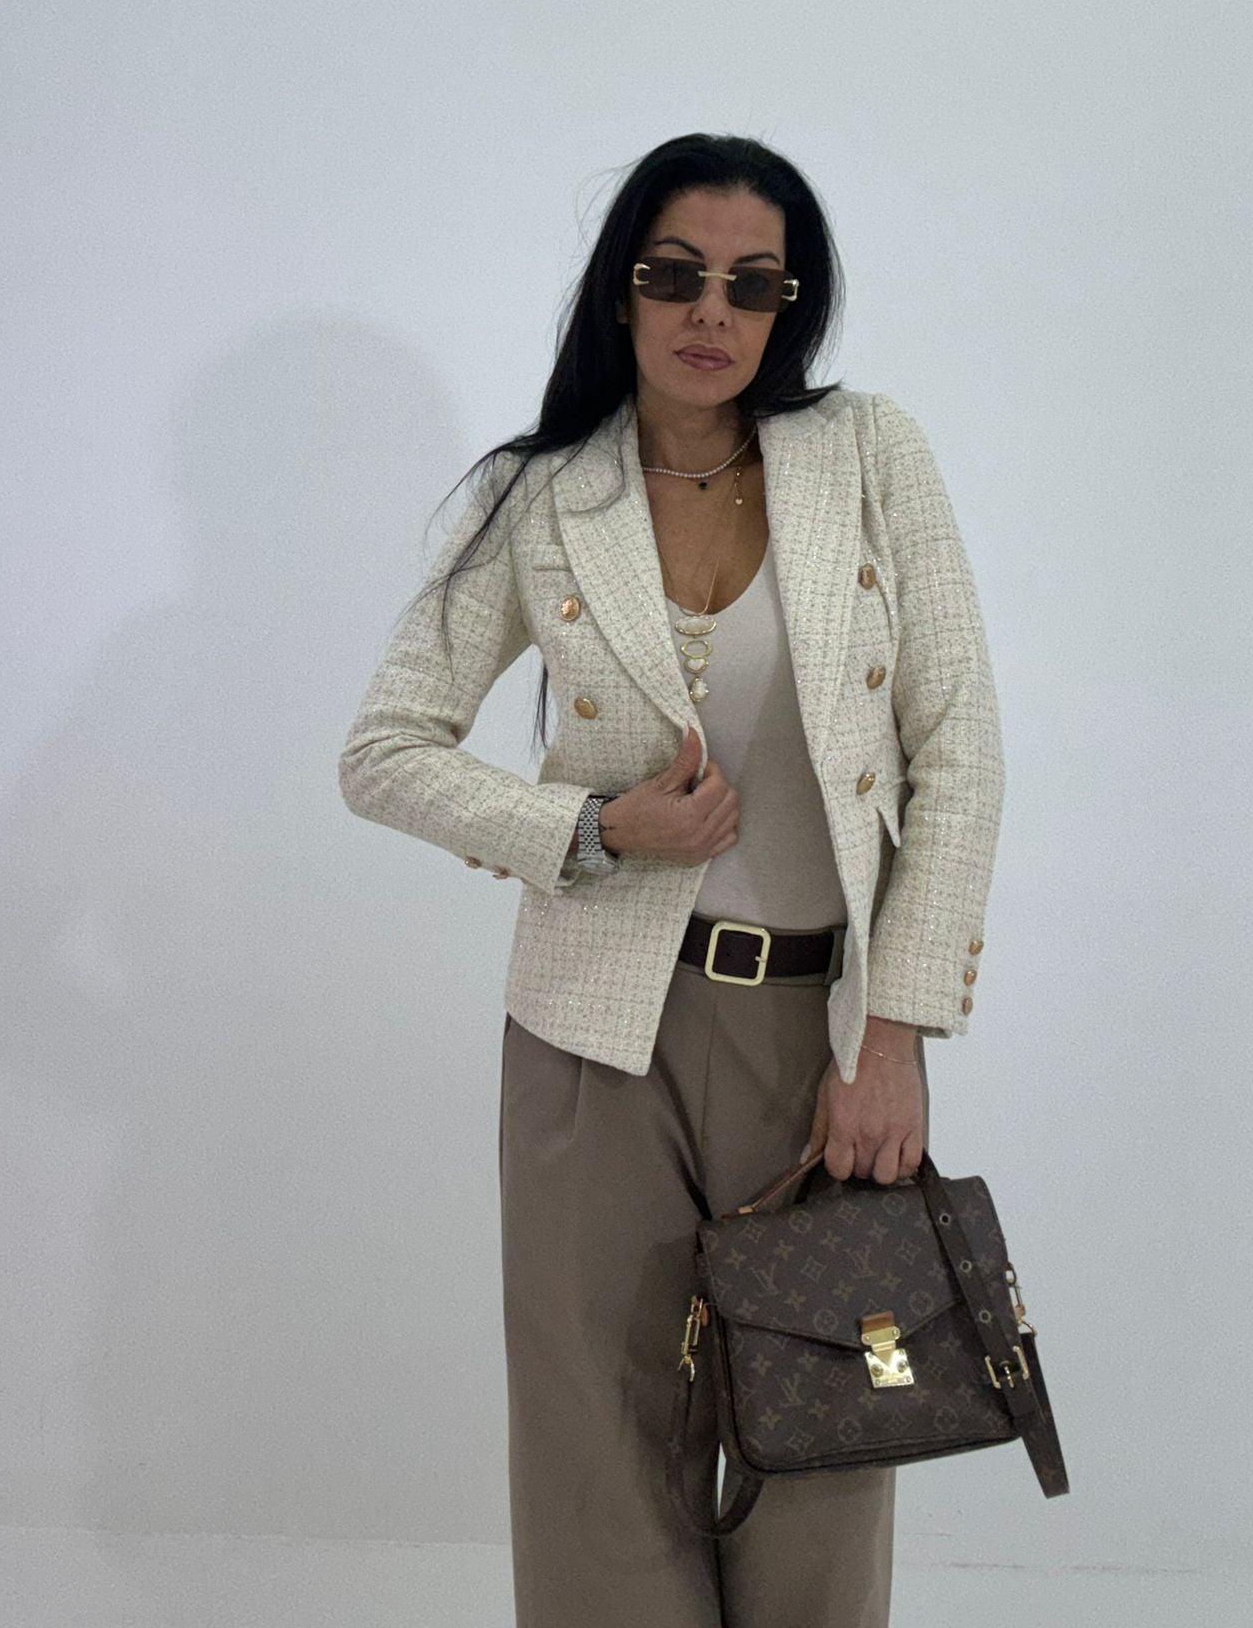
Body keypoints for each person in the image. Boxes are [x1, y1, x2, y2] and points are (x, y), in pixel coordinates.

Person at [337, 132, 1005, 1627]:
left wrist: (894, 1035)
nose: (713, 310)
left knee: (828, 1433)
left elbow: (958, 751)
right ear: (622, 288)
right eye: (677, 274)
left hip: (818, 1035)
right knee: (601, 1440)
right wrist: (592, 830)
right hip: (591, 1039)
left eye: (754, 285)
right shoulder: (541, 496)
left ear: (790, 307)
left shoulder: (868, 455)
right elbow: (382, 752)